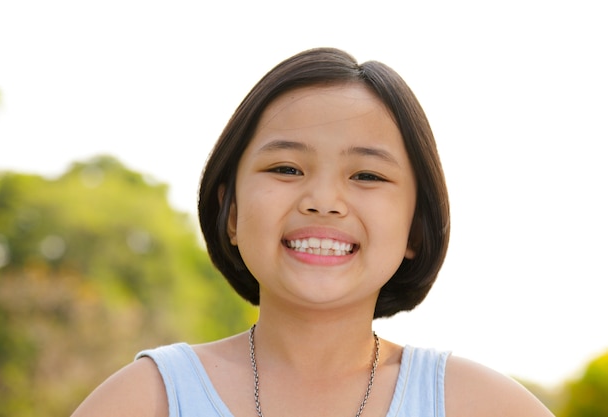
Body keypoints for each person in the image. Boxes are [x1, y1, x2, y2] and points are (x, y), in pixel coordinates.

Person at [71, 47, 554, 417]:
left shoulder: (476, 404)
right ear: (231, 212)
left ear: (415, 229)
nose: (323, 200)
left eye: (367, 175)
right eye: (285, 168)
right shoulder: (147, 399)